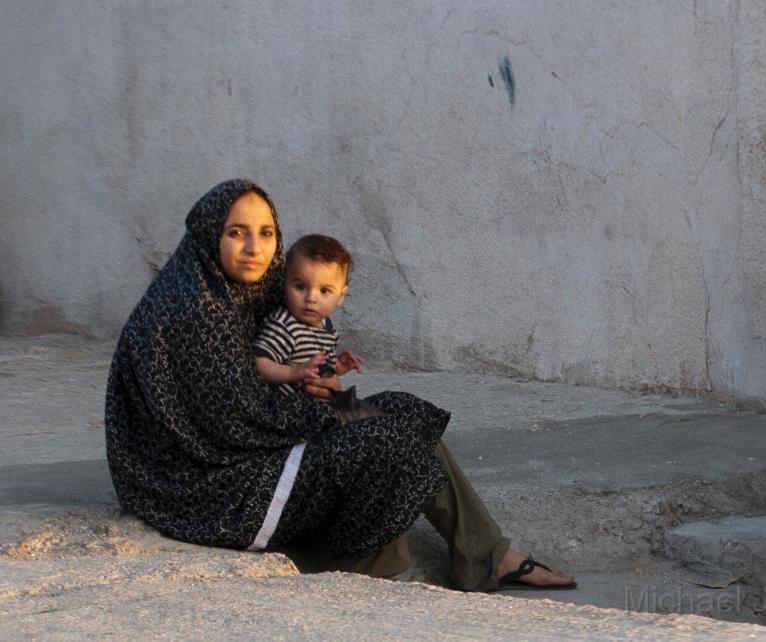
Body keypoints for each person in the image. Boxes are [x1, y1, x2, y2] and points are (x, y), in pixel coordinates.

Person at [105, 179, 575, 591]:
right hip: (214, 490)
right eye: (236, 233)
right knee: (379, 436)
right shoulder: (194, 309)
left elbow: (263, 390)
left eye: (266, 234)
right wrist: (328, 411)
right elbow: (233, 424)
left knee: (400, 412)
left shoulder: (241, 290)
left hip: (251, 453)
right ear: (210, 235)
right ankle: (382, 575)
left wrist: (326, 393)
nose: (254, 248)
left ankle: (488, 557)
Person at [252, 234, 363, 395]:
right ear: (285, 284)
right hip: (290, 411)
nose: (310, 298)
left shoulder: (327, 327)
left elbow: (320, 371)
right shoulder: (284, 325)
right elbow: (258, 363)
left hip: (321, 407)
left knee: (400, 403)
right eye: (300, 287)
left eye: (324, 290)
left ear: (341, 296)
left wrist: (338, 366)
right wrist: (293, 373)